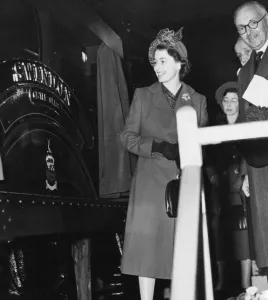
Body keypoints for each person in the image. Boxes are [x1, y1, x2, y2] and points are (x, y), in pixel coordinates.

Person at [119, 27, 208, 300]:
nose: (157, 68)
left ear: (179, 62)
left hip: (182, 184)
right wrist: (155, 146)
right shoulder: (143, 96)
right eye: (155, 62)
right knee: (148, 251)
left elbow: (203, 142)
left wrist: (186, 149)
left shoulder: (197, 100)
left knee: (180, 249)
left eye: (163, 62)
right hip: (148, 185)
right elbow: (127, 137)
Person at [234, 1, 268, 271]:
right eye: (241, 28)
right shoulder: (244, 72)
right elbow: (246, 123)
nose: (248, 31)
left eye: (253, 23)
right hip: (259, 165)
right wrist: (245, 171)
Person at [211, 82, 252, 293]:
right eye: (226, 101)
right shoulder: (215, 130)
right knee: (218, 229)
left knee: (243, 228)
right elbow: (208, 158)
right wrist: (212, 175)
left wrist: (242, 175)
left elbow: (250, 154)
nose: (229, 104)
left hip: (241, 188)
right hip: (220, 188)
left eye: (234, 100)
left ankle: (246, 282)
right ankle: (222, 281)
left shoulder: (247, 125)